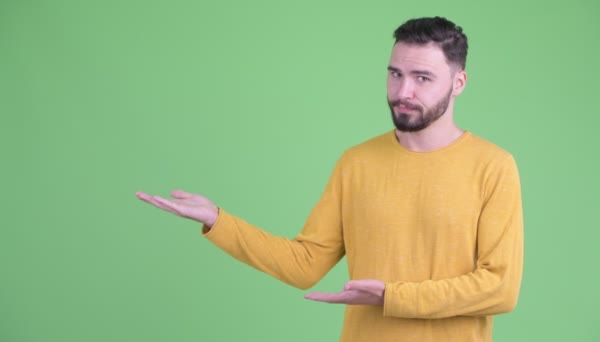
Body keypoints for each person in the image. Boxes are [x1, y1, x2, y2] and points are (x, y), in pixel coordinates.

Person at [136, 16, 524, 342]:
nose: (403, 91)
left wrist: (394, 297)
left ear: (458, 83)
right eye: (395, 74)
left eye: (422, 78)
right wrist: (217, 220)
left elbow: (500, 288)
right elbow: (304, 264)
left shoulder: (493, 166)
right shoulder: (357, 162)